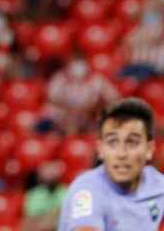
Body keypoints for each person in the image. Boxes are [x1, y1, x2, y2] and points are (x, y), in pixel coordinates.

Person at [58, 98, 164, 230]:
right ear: (100, 149)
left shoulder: (159, 186)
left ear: (149, 150)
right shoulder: (87, 190)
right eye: (112, 142)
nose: (121, 154)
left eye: (132, 142)